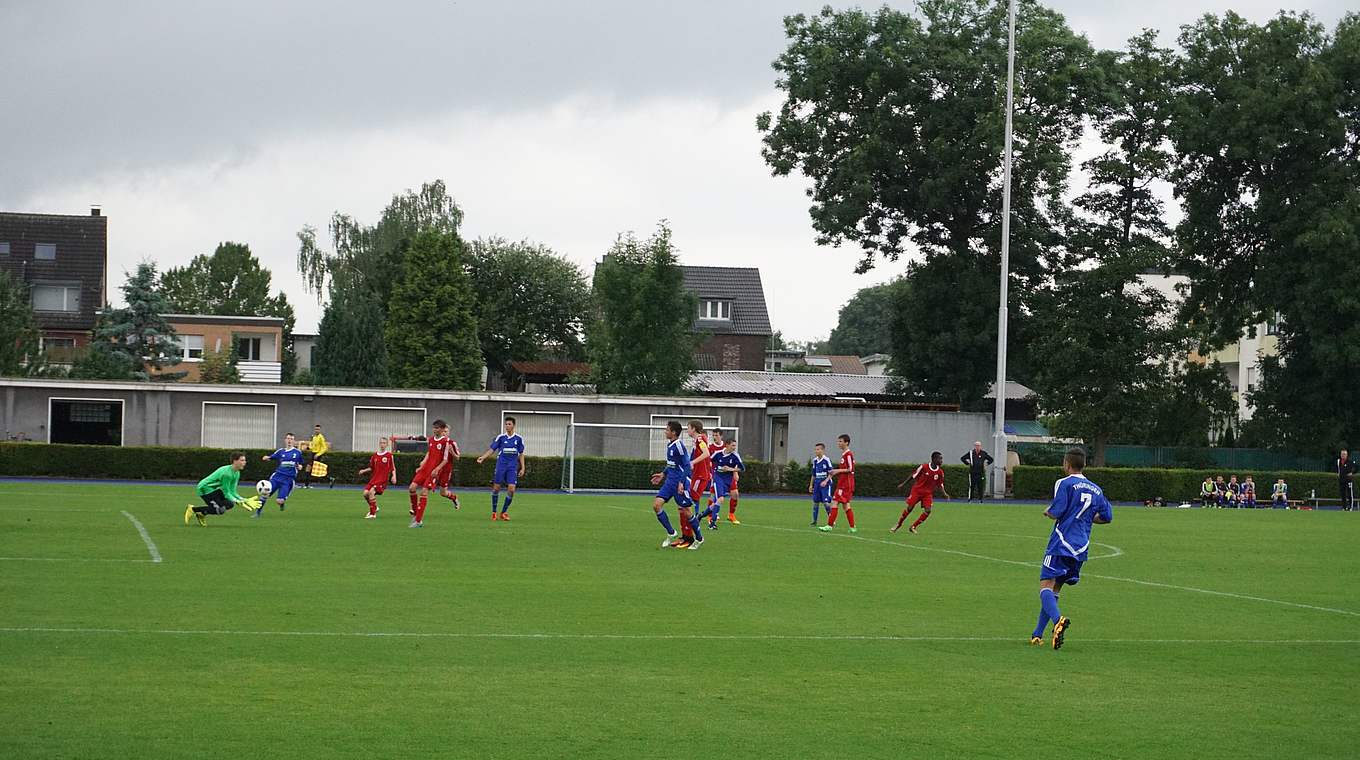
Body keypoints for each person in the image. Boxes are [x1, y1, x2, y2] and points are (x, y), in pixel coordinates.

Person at [1030, 448, 1112, 650]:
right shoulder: (1096, 489)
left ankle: (1058, 621)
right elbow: (1106, 516)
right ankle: (1037, 635)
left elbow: (1057, 510)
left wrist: (1048, 512)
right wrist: (1087, 518)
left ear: (1066, 464)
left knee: (1044, 586)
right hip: (1081, 547)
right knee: (1055, 588)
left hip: (1061, 543)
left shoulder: (1064, 483)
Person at [649, 420, 704, 550]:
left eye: (667, 430)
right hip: (669, 483)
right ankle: (671, 532)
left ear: (673, 432)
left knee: (687, 511)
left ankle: (699, 539)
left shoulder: (679, 446)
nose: (665, 432)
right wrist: (662, 474)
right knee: (656, 505)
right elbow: (671, 464)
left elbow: (686, 465)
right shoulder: (670, 445)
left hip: (680, 482)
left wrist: (681, 482)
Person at [185, 452, 257, 527]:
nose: (244, 462)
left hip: (214, 489)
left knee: (229, 504)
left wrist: (244, 499)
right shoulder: (227, 474)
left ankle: (201, 514)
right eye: (242, 460)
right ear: (235, 461)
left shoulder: (236, 473)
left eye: (244, 460)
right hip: (204, 488)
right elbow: (226, 493)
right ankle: (193, 509)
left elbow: (232, 491)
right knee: (219, 510)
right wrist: (237, 501)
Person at [408, 420, 456, 528]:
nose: (435, 430)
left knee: (424, 492)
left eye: (437, 428)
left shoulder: (446, 442)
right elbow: (429, 453)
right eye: (434, 427)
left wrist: (437, 469)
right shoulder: (430, 439)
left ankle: (418, 521)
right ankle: (416, 513)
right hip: (425, 469)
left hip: (434, 471)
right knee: (412, 488)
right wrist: (422, 465)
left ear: (443, 429)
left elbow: (445, 460)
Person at [476, 417, 525, 521]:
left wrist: (523, 468)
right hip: (501, 466)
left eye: (509, 424)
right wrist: (483, 457)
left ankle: (503, 512)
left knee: (511, 490)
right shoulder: (501, 437)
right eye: (506, 424)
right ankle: (494, 512)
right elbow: (492, 449)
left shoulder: (519, 439)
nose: (507, 426)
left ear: (513, 425)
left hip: (512, 467)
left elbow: (521, 454)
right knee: (496, 488)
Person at [893, 451, 950, 534]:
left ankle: (913, 527)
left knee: (928, 511)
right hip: (917, 490)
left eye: (942, 459)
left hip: (927, 494)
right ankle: (898, 524)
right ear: (934, 459)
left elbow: (940, 484)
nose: (941, 461)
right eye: (940, 459)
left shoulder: (940, 472)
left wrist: (944, 494)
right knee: (910, 508)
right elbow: (913, 476)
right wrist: (903, 484)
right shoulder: (924, 467)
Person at [257, 432, 304, 517]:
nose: (289, 440)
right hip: (277, 477)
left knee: (279, 501)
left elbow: (300, 464)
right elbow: (271, 457)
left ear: (294, 441)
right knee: (265, 494)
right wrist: (266, 458)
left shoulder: (297, 452)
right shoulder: (280, 451)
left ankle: (282, 502)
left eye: (291, 439)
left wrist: (300, 466)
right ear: (285, 440)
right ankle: (258, 513)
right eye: (288, 438)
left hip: (288, 480)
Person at [817, 434, 857, 534]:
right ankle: (852, 527)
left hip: (845, 485)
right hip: (843, 483)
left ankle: (829, 526)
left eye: (840, 441)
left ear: (846, 442)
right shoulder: (844, 455)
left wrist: (836, 471)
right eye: (838, 441)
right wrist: (836, 472)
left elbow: (851, 469)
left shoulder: (848, 455)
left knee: (834, 502)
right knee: (846, 505)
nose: (838, 443)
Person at [682, 420, 714, 541]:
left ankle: (694, 531)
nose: (687, 430)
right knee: (690, 500)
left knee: (690, 501)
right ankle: (691, 528)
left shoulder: (700, 439)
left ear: (694, 429)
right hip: (698, 475)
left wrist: (693, 462)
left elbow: (706, 453)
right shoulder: (699, 439)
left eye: (688, 427)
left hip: (700, 476)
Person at [708, 437, 745, 530]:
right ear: (727, 445)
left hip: (729, 478)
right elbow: (709, 461)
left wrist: (732, 470)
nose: (734, 447)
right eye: (733, 445)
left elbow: (742, 468)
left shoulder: (735, 455)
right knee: (714, 497)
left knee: (735, 494)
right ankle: (710, 516)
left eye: (735, 445)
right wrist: (711, 472)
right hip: (718, 477)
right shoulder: (717, 453)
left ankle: (731, 515)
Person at [358, 436, 397, 519]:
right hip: (374, 479)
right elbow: (372, 467)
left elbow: (393, 467)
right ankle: (375, 507)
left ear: (387, 445)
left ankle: (372, 514)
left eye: (384, 443)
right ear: (379, 444)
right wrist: (364, 470)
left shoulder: (389, 455)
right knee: (365, 494)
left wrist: (394, 476)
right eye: (381, 443)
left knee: (371, 492)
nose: (382, 444)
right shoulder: (375, 456)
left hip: (382, 480)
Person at [808, 443, 834, 526]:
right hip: (817, 484)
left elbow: (831, 473)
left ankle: (832, 521)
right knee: (815, 502)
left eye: (818, 449)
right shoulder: (815, 461)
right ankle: (814, 521)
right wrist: (811, 485)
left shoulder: (826, 460)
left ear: (822, 450)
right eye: (815, 449)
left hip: (825, 484)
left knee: (826, 503)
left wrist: (826, 481)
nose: (816, 451)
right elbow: (813, 474)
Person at [300, 424, 331, 488]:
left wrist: (318, 454)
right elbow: (313, 447)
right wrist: (308, 448)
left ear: (320, 430)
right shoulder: (314, 437)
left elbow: (325, 448)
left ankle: (306, 484)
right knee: (311, 470)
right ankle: (307, 484)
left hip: (317, 455)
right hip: (313, 454)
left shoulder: (321, 437)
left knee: (313, 470)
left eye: (318, 429)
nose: (317, 430)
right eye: (316, 429)